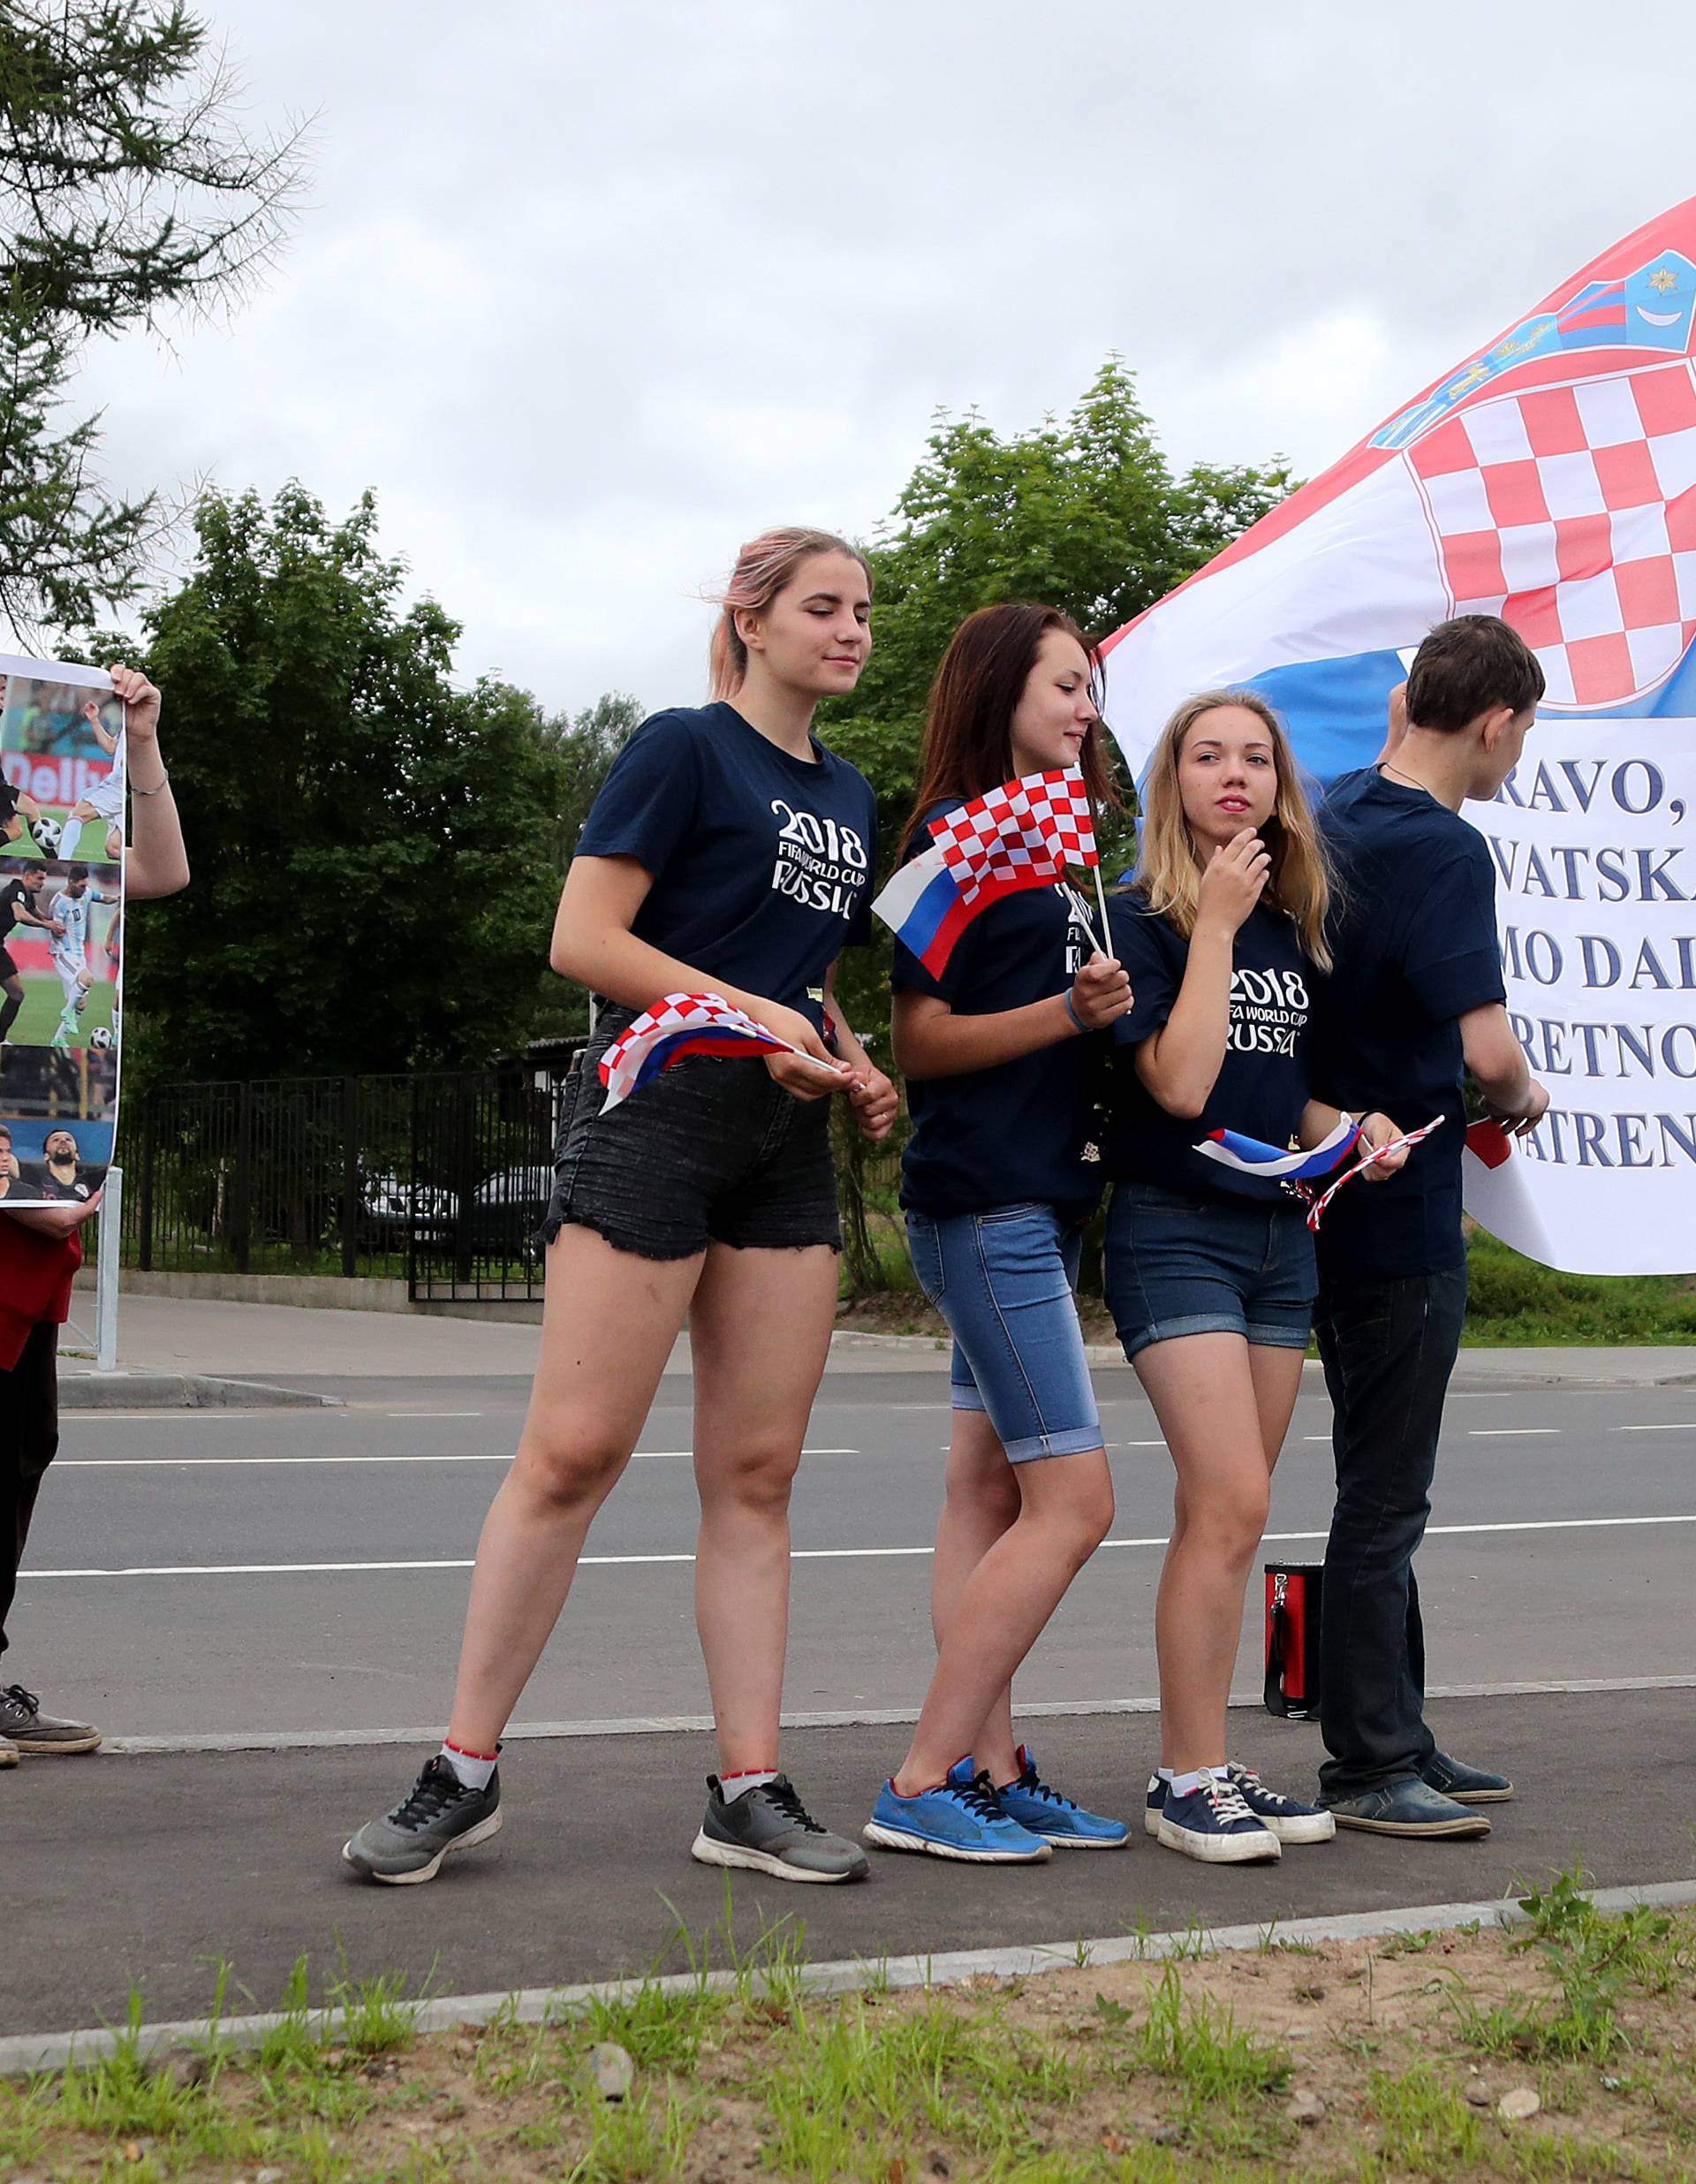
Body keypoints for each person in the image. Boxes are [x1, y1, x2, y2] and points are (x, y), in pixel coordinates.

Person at [344, 527, 898, 1886]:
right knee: (574, 1454)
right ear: (752, 623)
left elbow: (799, 968)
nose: (852, 630)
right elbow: (584, 942)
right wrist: (755, 1009)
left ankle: (749, 1790)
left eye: (865, 612)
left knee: (756, 1477)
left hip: (777, 1140)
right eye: (823, 607)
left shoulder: (852, 796)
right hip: (649, 1119)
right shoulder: (681, 748)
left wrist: (848, 1050)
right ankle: (460, 1775)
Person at [1102, 691, 1408, 1864]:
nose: (1236, 774)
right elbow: (1180, 1088)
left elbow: (1281, 1096)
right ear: (1171, 782)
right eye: (1208, 755)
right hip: (1176, 1229)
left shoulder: (1291, 924)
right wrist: (1216, 925)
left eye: (1258, 758)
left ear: (1282, 785)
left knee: (1230, 1518)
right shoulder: (1142, 922)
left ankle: (1208, 1759)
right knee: (1228, 1497)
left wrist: (1358, 1126)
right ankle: (1183, 1782)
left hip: (1282, 1239)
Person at [861, 603, 1132, 1864]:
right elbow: (921, 1046)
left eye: (1092, 688)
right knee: (1075, 1502)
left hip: (1042, 1201)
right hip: (985, 1204)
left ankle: (991, 1763)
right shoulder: (956, 842)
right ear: (998, 693)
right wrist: (1064, 1017)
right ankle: (922, 1775)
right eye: (1066, 686)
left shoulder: (1060, 844)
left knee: (985, 1494)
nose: (1087, 707)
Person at [1307, 616, 1548, 1837]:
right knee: (1387, 1493)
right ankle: (1369, 1762)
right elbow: (1487, 1050)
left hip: (1323, 1184)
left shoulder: (1336, 809)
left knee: (1376, 1479)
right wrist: (1523, 1095)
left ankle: (1398, 1724)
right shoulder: (1445, 851)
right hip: (1403, 1206)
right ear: (1497, 722)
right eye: (1523, 733)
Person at [1, 664, 187, 1766]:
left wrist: (144, 741)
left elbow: (162, 869)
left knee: (23, 1438)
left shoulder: (53, 865)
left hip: (31, 1181)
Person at [46, 864, 118, 1050]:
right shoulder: (59, 903)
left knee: (82, 1004)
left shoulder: (86, 894)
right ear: (71, 882)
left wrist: (118, 898)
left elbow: (102, 898)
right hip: (63, 952)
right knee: (87, 978)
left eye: (86, 885)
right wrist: (58, 930)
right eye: (82, 886)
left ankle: (58, 1039)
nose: (85, 889)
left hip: (79, 954)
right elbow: (55, 929)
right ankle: (67, 1012)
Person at [0, 863, 61, 1050]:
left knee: (16, 993)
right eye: (40, 878)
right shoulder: (16, 888)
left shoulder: (27, 896)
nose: (43, 883)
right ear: (27, 876)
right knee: (16, 993)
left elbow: (38, 915)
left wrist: (55, 923)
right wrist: (47, 926)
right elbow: (20, 915)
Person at [59, 697, 126, 864]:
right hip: (124, 783)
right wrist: (94, 720)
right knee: (114, 848)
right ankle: (151, 866)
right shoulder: (127, 723)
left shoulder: (140, 724)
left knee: (78, 814)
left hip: (123, 781)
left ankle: (63, 861)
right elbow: (112, 747)